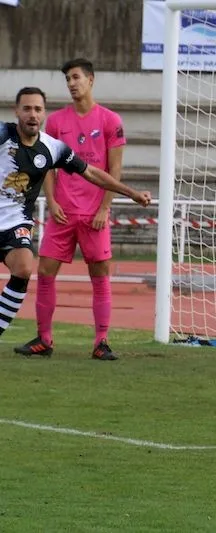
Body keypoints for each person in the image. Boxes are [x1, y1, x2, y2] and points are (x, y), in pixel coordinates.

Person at [0, 87, 150, 344]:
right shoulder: (3, 134)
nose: (32, 114)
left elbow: (91, 172)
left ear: (44, 113)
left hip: (16, 224)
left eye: (37, 109)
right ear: (17, 111)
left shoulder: (52, 148)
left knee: (24, 267)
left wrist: (131, 193)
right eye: (26, 109)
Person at [15, 58, 127, 360]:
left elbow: (114, 170)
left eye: (76, 77)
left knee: (100, 275)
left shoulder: (110, 121)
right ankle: (44, 339)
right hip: (63, 213)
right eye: (67, 79)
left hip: (94, 216)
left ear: (90, 80)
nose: (71, 83)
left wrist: (105, 207)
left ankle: (101, 342)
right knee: (45, 271)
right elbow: (48, 167)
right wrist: (51, 202)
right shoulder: (56, 122)